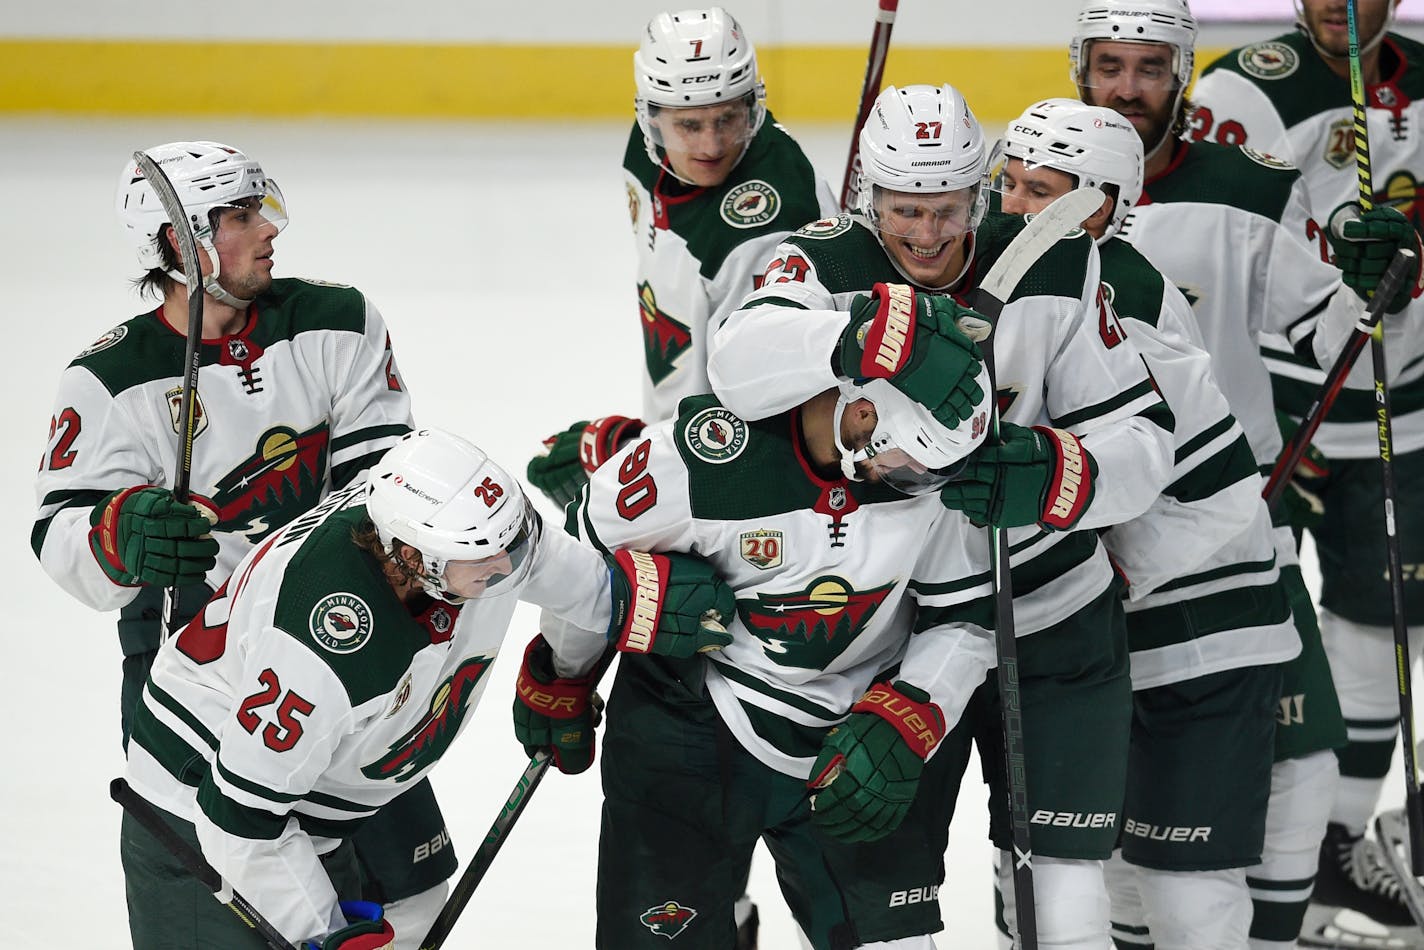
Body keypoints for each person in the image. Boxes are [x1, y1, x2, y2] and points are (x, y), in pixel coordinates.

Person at [707, 82, 1178, 949]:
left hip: (1052, 618)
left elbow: (1145, 445)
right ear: (866, 198)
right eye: (904, 211)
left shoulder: (1060, 264)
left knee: (1065, 901)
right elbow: (735, 363)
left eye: (949, 210)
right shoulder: (820, 266)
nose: (927, 235)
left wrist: (1052, 474)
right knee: (891, 919)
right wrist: (860, 336)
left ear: (982, 190)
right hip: (886, 637)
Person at [30, 140, 454, 947]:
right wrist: (117, 539)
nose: (267, 232)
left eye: (261, 209)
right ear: (175, 243)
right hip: (196, 686)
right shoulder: (111, 379)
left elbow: (388, 493)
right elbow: (60, 533)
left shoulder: (336, 319)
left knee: (414, 902)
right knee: (220, 919)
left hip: (346, 651)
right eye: (237, 217)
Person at [120, 426, 735, 948]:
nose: (512, 569)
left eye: (511, 543)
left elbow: (542, 560)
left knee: (412, 904)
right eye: (489, 561)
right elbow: (238, 819)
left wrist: (625, 602)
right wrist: (324, 933)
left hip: (310, 798)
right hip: (200, 818)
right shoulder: (322, 644)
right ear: (411, 561)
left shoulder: (466, 530)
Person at [1067, 2, 1390, 946]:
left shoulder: (1247, 185)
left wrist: (1375, 283)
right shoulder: (1030, 182)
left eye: (1151, 67)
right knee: (1102, 786)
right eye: (1110, 65)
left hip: (1234, 526)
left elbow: (1329, 337)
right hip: (1082, 538)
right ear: (1079, 69)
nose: (1128, 87)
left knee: (1303, 763)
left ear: (1184, 75)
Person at [515, 364, 1008, 949]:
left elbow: (965, 612)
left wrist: (913, 711)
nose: (928, 480)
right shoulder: (695, 461)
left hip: (857, 739)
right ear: (862, 414)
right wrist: (566, 672)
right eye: (914, 462)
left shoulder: (939, 464)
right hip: (689, 725)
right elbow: (590, 559)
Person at [995, 96, 1302, 949]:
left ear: (1097, 207)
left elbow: (1224, 491)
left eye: (1040, 191)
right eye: (1008, 183)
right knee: (1070, 883)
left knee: (1189, 900)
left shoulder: (1121, 295)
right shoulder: (1023, 279)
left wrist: (1107, 573)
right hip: (1094, 641)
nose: (1011, 207)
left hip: (1205, 624)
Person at [1192, 2, 1424, 943]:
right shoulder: (1236, 92)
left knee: (1377, 631)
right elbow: (1199, 263)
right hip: (1283, 418)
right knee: (1259, 653)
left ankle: (1337, 857)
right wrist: (1261, 413)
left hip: (1404, 410)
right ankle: (1249, 857)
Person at [526, 5, 838, 513]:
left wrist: (636, 454)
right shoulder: (646, 153)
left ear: (752, 106)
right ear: (650, 117)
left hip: (747, 474)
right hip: (682, 431)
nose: (712, 144)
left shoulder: (766, 225)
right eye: (690, 125)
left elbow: (762, 398)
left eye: (728, 119)